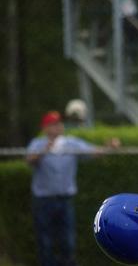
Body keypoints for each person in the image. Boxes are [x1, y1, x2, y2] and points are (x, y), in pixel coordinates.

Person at [26, 111, 119, 266]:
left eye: (59, 124)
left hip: (65, 200)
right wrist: (44, 150)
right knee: (45, 241)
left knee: (67, 241)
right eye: (53, 124)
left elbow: (93, 152)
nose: (57, 127)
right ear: (45, 128)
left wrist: (109, 147)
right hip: (43, 201)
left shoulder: (71, 143)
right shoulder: (37, 143)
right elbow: (29, 160)